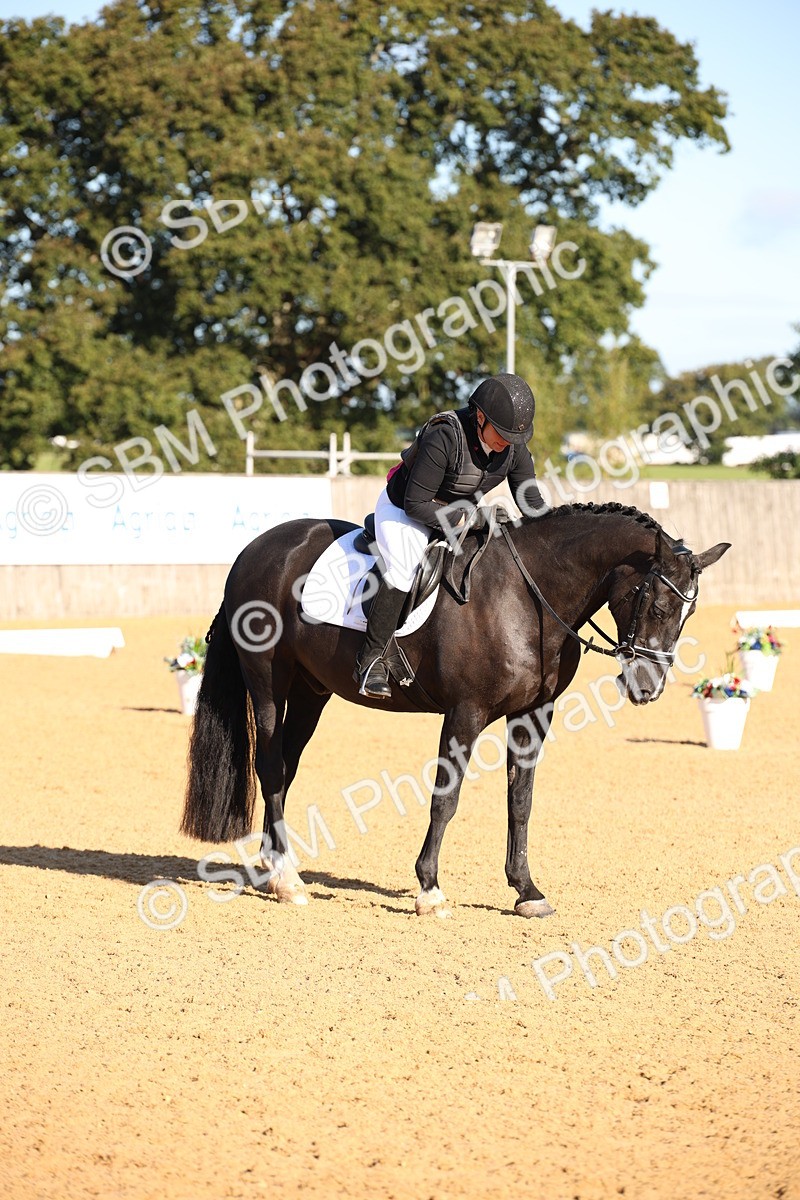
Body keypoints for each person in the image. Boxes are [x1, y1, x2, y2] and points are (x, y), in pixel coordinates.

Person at [354, 372, 546, 699]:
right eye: (500, 434)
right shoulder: (445, 435)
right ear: (480, 417)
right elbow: (416, 503)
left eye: (514, 438)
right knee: (404, 566)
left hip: (458, 514)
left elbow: (531, 502)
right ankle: (371, 660)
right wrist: (470, 518)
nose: (507, 444)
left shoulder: (512, 446)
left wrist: (556, 526)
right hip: (407, 509)